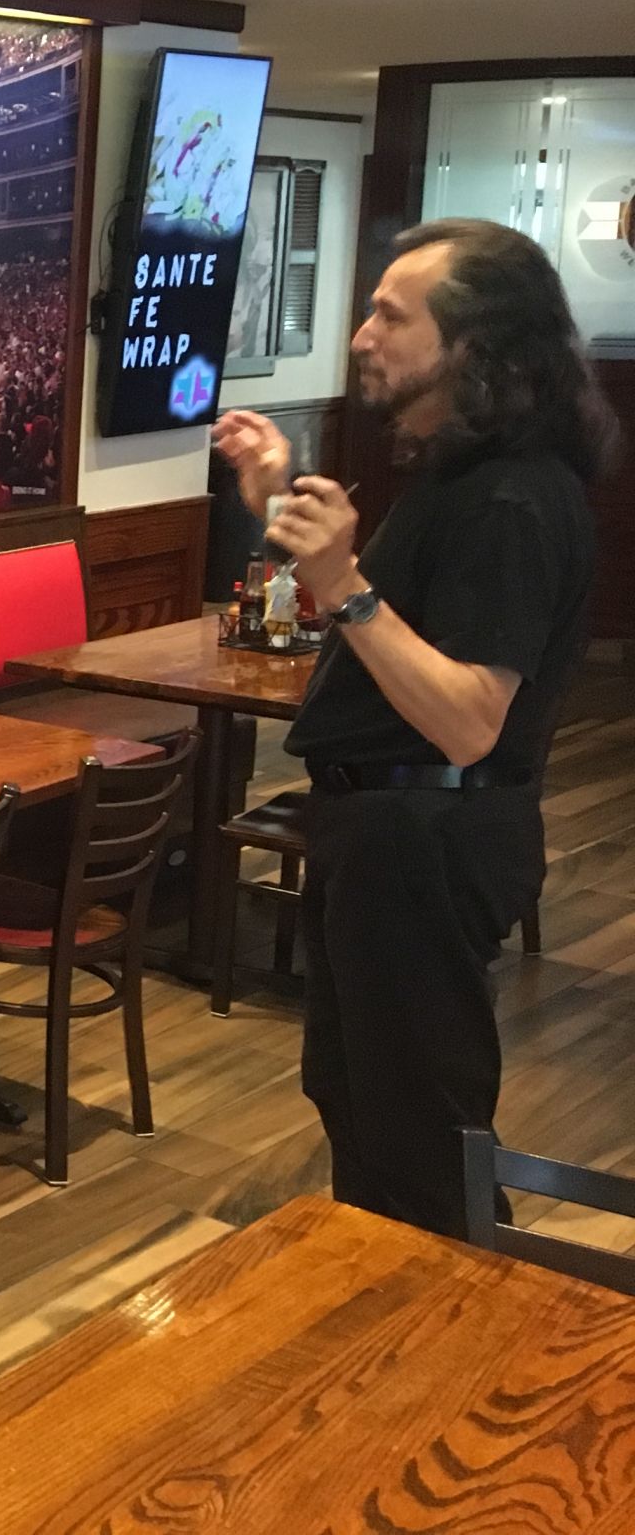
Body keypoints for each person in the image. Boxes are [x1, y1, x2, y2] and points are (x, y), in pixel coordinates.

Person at [213, 218, 612, 1238]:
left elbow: (471, 718)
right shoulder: (458, 477)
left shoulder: (511, 500)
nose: (360, 335)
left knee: (421, 1136)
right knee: (362, 1103)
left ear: (471, 349)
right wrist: (283, 513)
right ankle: (391, 1333)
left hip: (428, 833)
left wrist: (343, 582)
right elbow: (387, 646)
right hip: (386, 832)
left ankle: (458, 1351)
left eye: (393, 314)